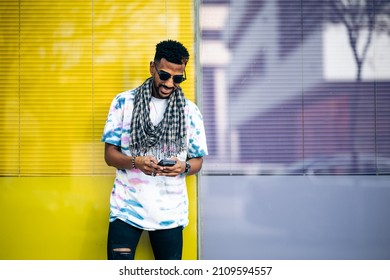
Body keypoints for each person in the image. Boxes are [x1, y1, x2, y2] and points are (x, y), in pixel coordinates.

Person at [101, 40, 208, 260]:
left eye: (178, 78)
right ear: (152, 68)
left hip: (170, 213)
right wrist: (136, 162)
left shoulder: (190, 111)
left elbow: (197, 162)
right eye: (165, 75)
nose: (170, 83)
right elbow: (109, 155)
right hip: (126, 210)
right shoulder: (123, 103)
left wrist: (184, 166)